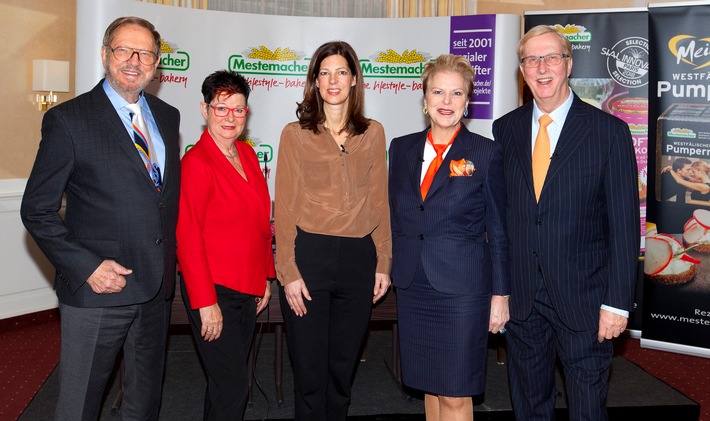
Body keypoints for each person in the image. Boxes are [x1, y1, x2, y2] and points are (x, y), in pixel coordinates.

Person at [20, 16, 180, 420]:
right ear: (106, 55)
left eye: (145, 53)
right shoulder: (68, 120)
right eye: (124, 49)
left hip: (155, 290)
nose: (134, 60)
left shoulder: (167, 116)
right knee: (79, 408)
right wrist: (88, 267)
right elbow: (36, 210)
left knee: (144, 405)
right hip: (98, 293)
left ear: (156, 63)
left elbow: (159, 199)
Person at [492, 25, 639, 420]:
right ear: (521, 69)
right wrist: (500, 291)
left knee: (588, 410)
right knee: (529, 408)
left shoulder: (609, 131)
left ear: (568, 64)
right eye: (531, 59)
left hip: (585, 302)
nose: (542, 68)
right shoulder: (503, 129)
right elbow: (501, 219)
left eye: (551, 57)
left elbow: (625, 227)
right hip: (523, 301)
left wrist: (617, 304)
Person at [274, 40, 392, 421]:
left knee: (342, 374)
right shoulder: (295, 134)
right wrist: (288, 271)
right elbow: (286, 206)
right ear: (315, 81)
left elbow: (379, 202)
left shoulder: (373, 133)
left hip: (359, 259)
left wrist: (384, 262)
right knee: (309, 374)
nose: (333, 80)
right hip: (309, 257)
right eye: (324, 73)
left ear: (354, 79)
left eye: (341, 71)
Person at [389, 54, 510, 421]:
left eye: (456, 93)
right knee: (429, 385)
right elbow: (396, 216)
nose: (446, 101)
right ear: (424, 98)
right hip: (413, 286)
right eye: (438, 92)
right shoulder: (401, 148)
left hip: (463, 291)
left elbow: (500, 230)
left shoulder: (486, 153)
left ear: (468, 101)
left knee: (456, 394)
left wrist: (500, 295)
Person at [176, 70, 274, 420]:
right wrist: (206, 304)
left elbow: (261, 222)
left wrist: (264, 275)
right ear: (204, 110)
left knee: (225, 385)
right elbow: (187, 239)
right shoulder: (196, 164)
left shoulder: (247, 155)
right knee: (233, 385)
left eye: (238, 109)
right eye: (221, 108)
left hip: (245, 288)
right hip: (213, 292)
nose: (230, 117)